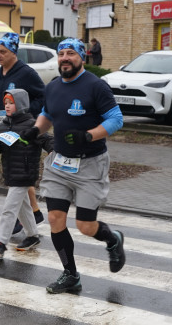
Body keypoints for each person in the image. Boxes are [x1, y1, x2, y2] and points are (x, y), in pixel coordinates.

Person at [19, 38, 126, 294]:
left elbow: (116, 119)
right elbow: (47, 113)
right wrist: (36, 130)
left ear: (82, 57)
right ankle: (70, 275)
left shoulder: (95, 86)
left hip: (90, 164)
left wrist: (89, 136)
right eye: (61, 54)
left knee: (86, 226)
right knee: (55, 218)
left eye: (70, 53)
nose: (65, 58)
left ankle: (113, 240)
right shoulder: (54, 86)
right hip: (59, 163)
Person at [0, 32, 47, 234]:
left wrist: (26, 113)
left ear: (13, 52)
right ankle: (35, 212)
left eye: (3, 51)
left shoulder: (26, 73)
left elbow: (43, 97)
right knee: (17, 173)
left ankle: (18, 220)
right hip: (4, 128)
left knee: (18, 173)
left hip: (23, 128)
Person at [0, 89, 52, 258]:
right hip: (11, 173)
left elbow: (48, 141)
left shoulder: (32, 125)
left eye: (11, 103)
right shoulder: (3, 126)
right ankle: (33, 236)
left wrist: (56, 153)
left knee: (9, 209)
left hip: (26, 174)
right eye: (5, 103)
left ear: (20, 105)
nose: (7, 106)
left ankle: (0, 243)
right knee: (23, 206)